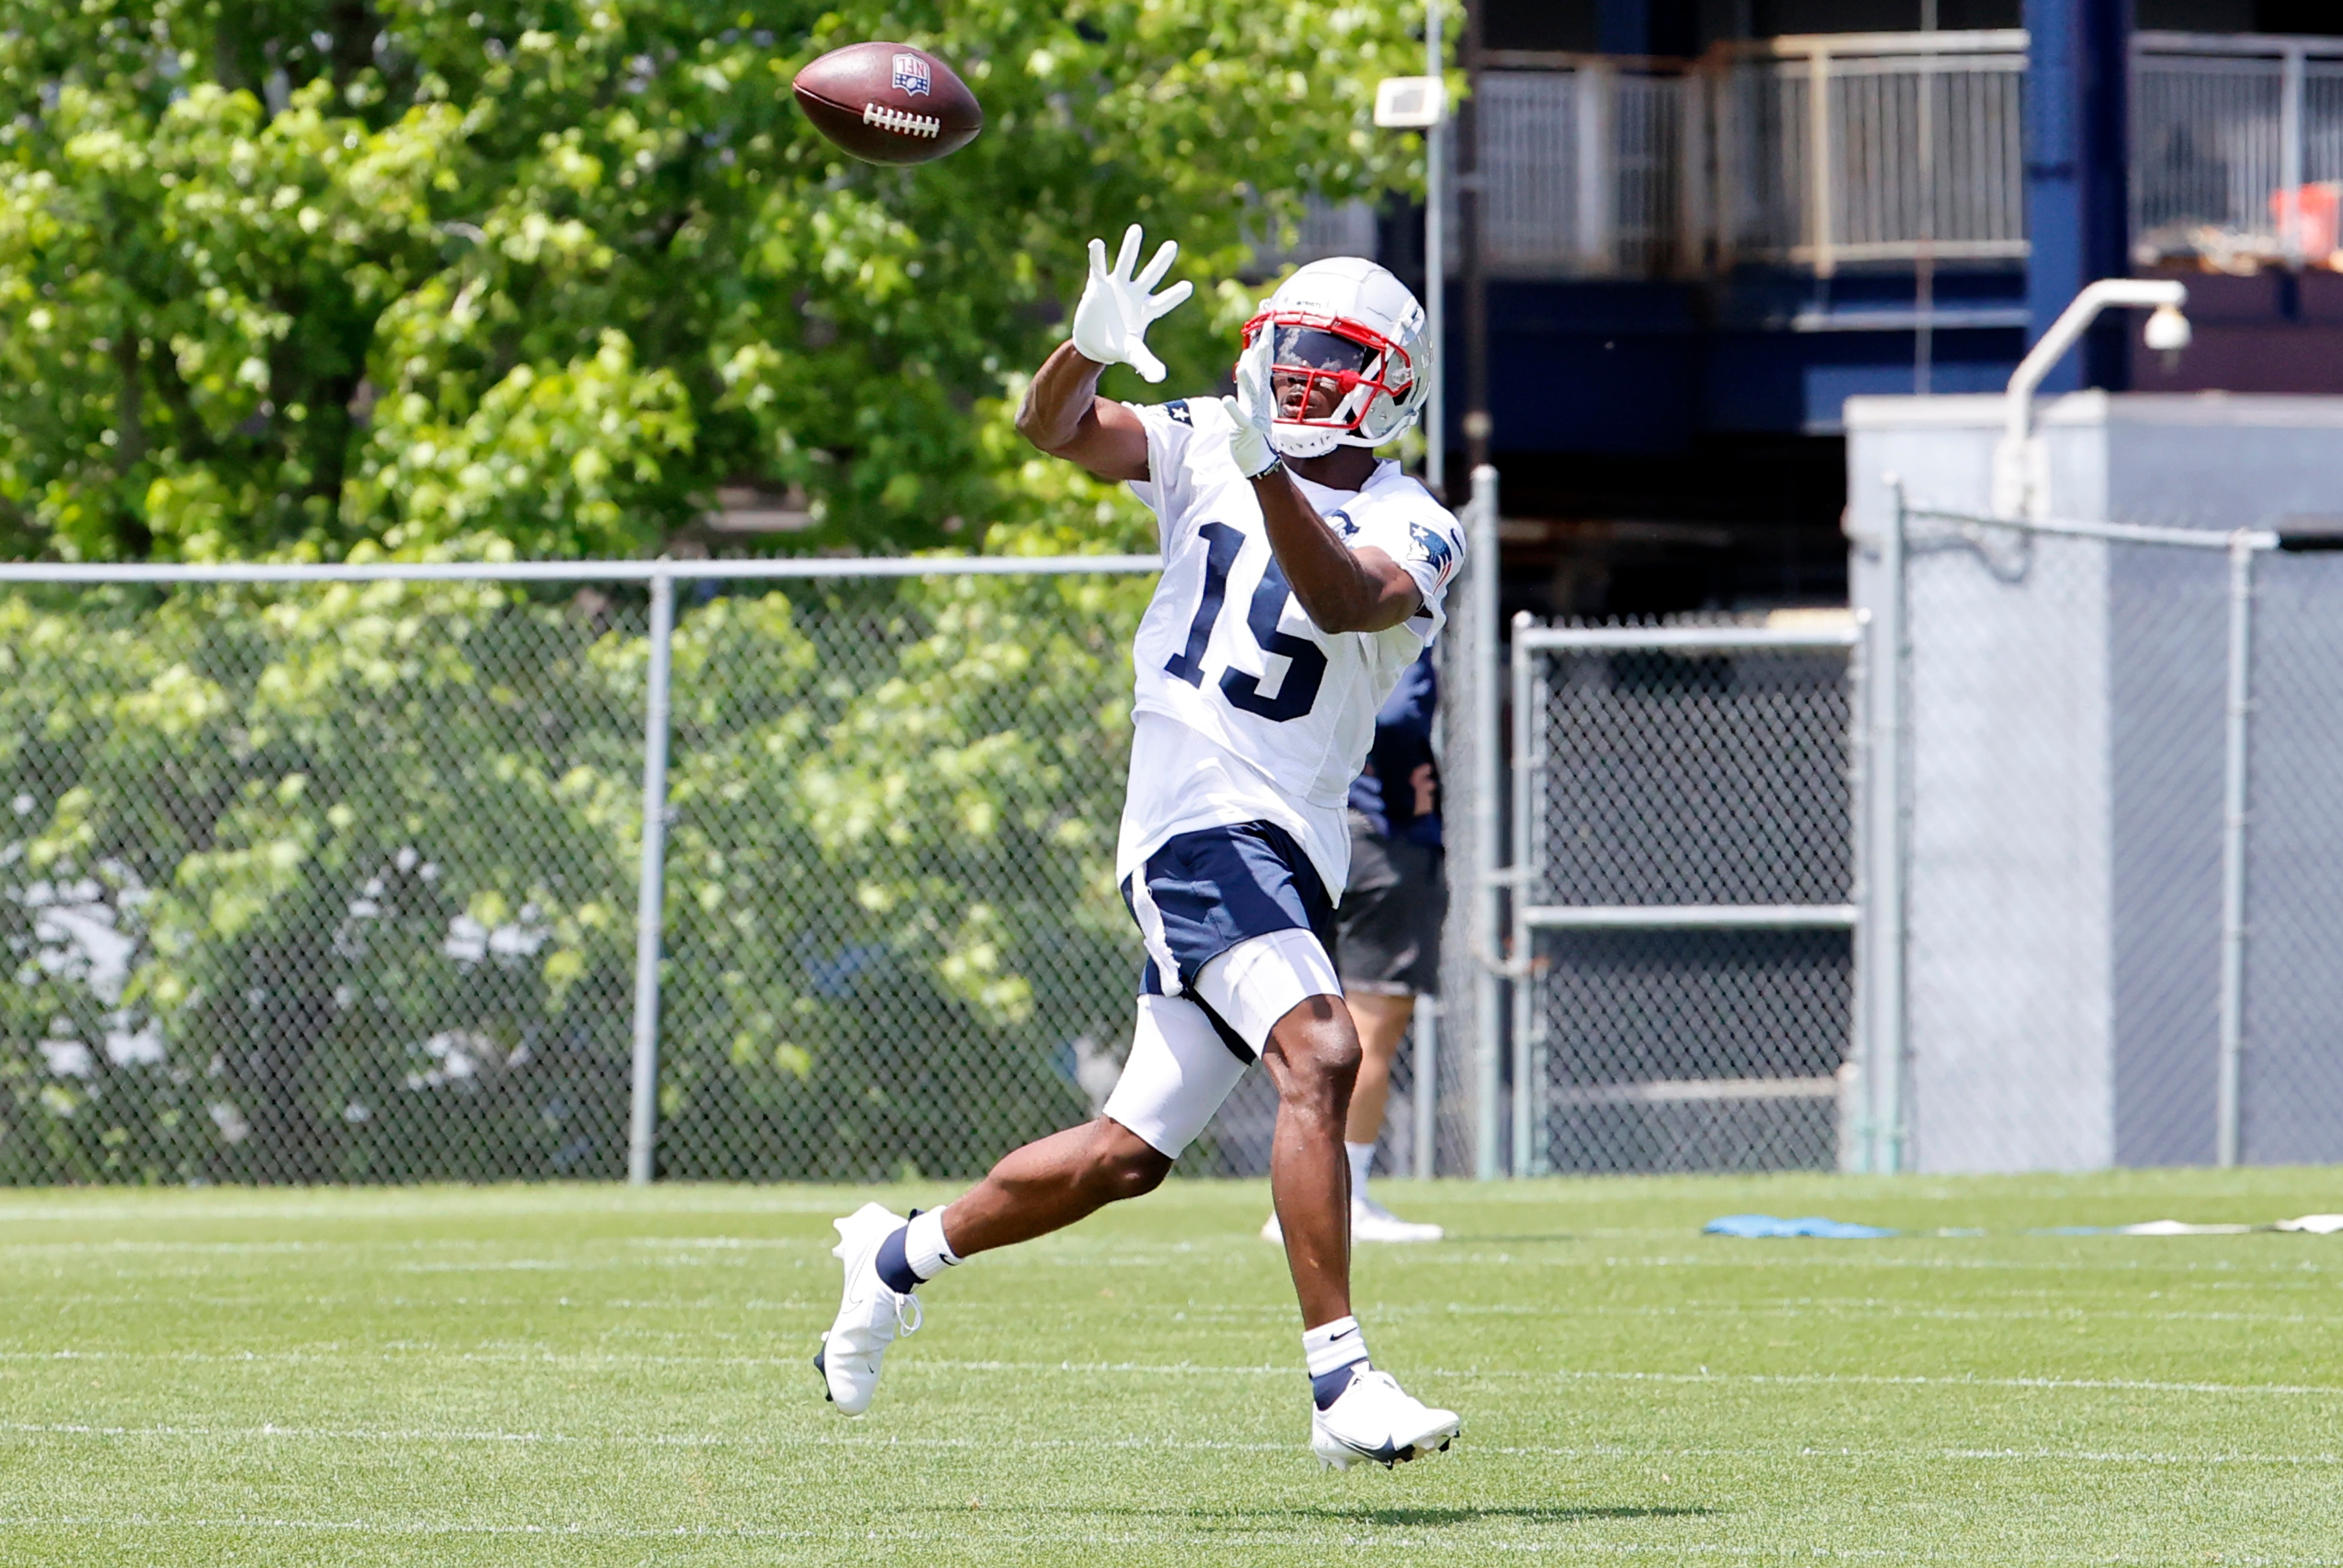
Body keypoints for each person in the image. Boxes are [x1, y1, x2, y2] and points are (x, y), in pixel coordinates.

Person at [813, 225, 1468, 1471]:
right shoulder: (1212, 441)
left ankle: (896, 1253)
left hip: (1289, 843)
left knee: (1125, 1156)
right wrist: (1082, 352)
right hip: (1192, 815)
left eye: (1337, 354)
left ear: (1389, 382)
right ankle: (1342, 1385)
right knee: (1321, 1049)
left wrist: (1271, 472)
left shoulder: (1415, 519)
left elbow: (1343, 599)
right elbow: (1052, 430)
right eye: (1296, 344)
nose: (1301, 370)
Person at [1262, 648, 1447, 1245]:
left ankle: (1299, 1199)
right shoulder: (1393, 607)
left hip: (1307, 834)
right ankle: (1345, 1201)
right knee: (1369, 1028)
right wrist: (1392, 785)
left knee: (1309, 1022)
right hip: (1380, 841)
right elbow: (1394, 719)